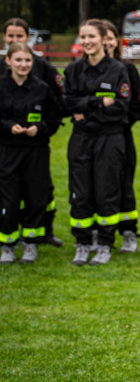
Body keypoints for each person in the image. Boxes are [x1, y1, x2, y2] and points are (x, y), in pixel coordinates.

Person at [63, 19, 130, 266]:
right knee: (80, 193)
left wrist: (84, 108)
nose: (87, 41)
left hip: (109, 139)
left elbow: (121, 108)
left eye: (91, 36)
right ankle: (82, 243)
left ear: (104, 38)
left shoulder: (117, 70)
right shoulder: (72, 71)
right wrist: (98, 103)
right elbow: (66, 104)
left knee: (106, 192)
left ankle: (104, 244)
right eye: (83, 37)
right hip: (80, 139)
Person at [4, 18, 64, 247]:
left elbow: (59, 102)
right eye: (11, 36)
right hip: (7, 146)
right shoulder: (2, 73)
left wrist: (42, 127)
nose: (15, 40)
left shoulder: (43, 69)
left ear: (28, 37)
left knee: (40, 190)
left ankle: (44, 232)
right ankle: (10, 235)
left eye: (19, 36)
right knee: (9, 193)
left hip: (36, 145)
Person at [101, 20, 140, 254]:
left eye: (110, 37)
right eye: (103, 37)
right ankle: (98, 233)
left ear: (115, 40)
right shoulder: (86, 69)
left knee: (124, 183)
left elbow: (139, 107)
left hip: (120, 137)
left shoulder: (126, 68)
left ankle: (128, 232)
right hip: (93, 138)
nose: (106, 42)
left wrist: (118, 121)